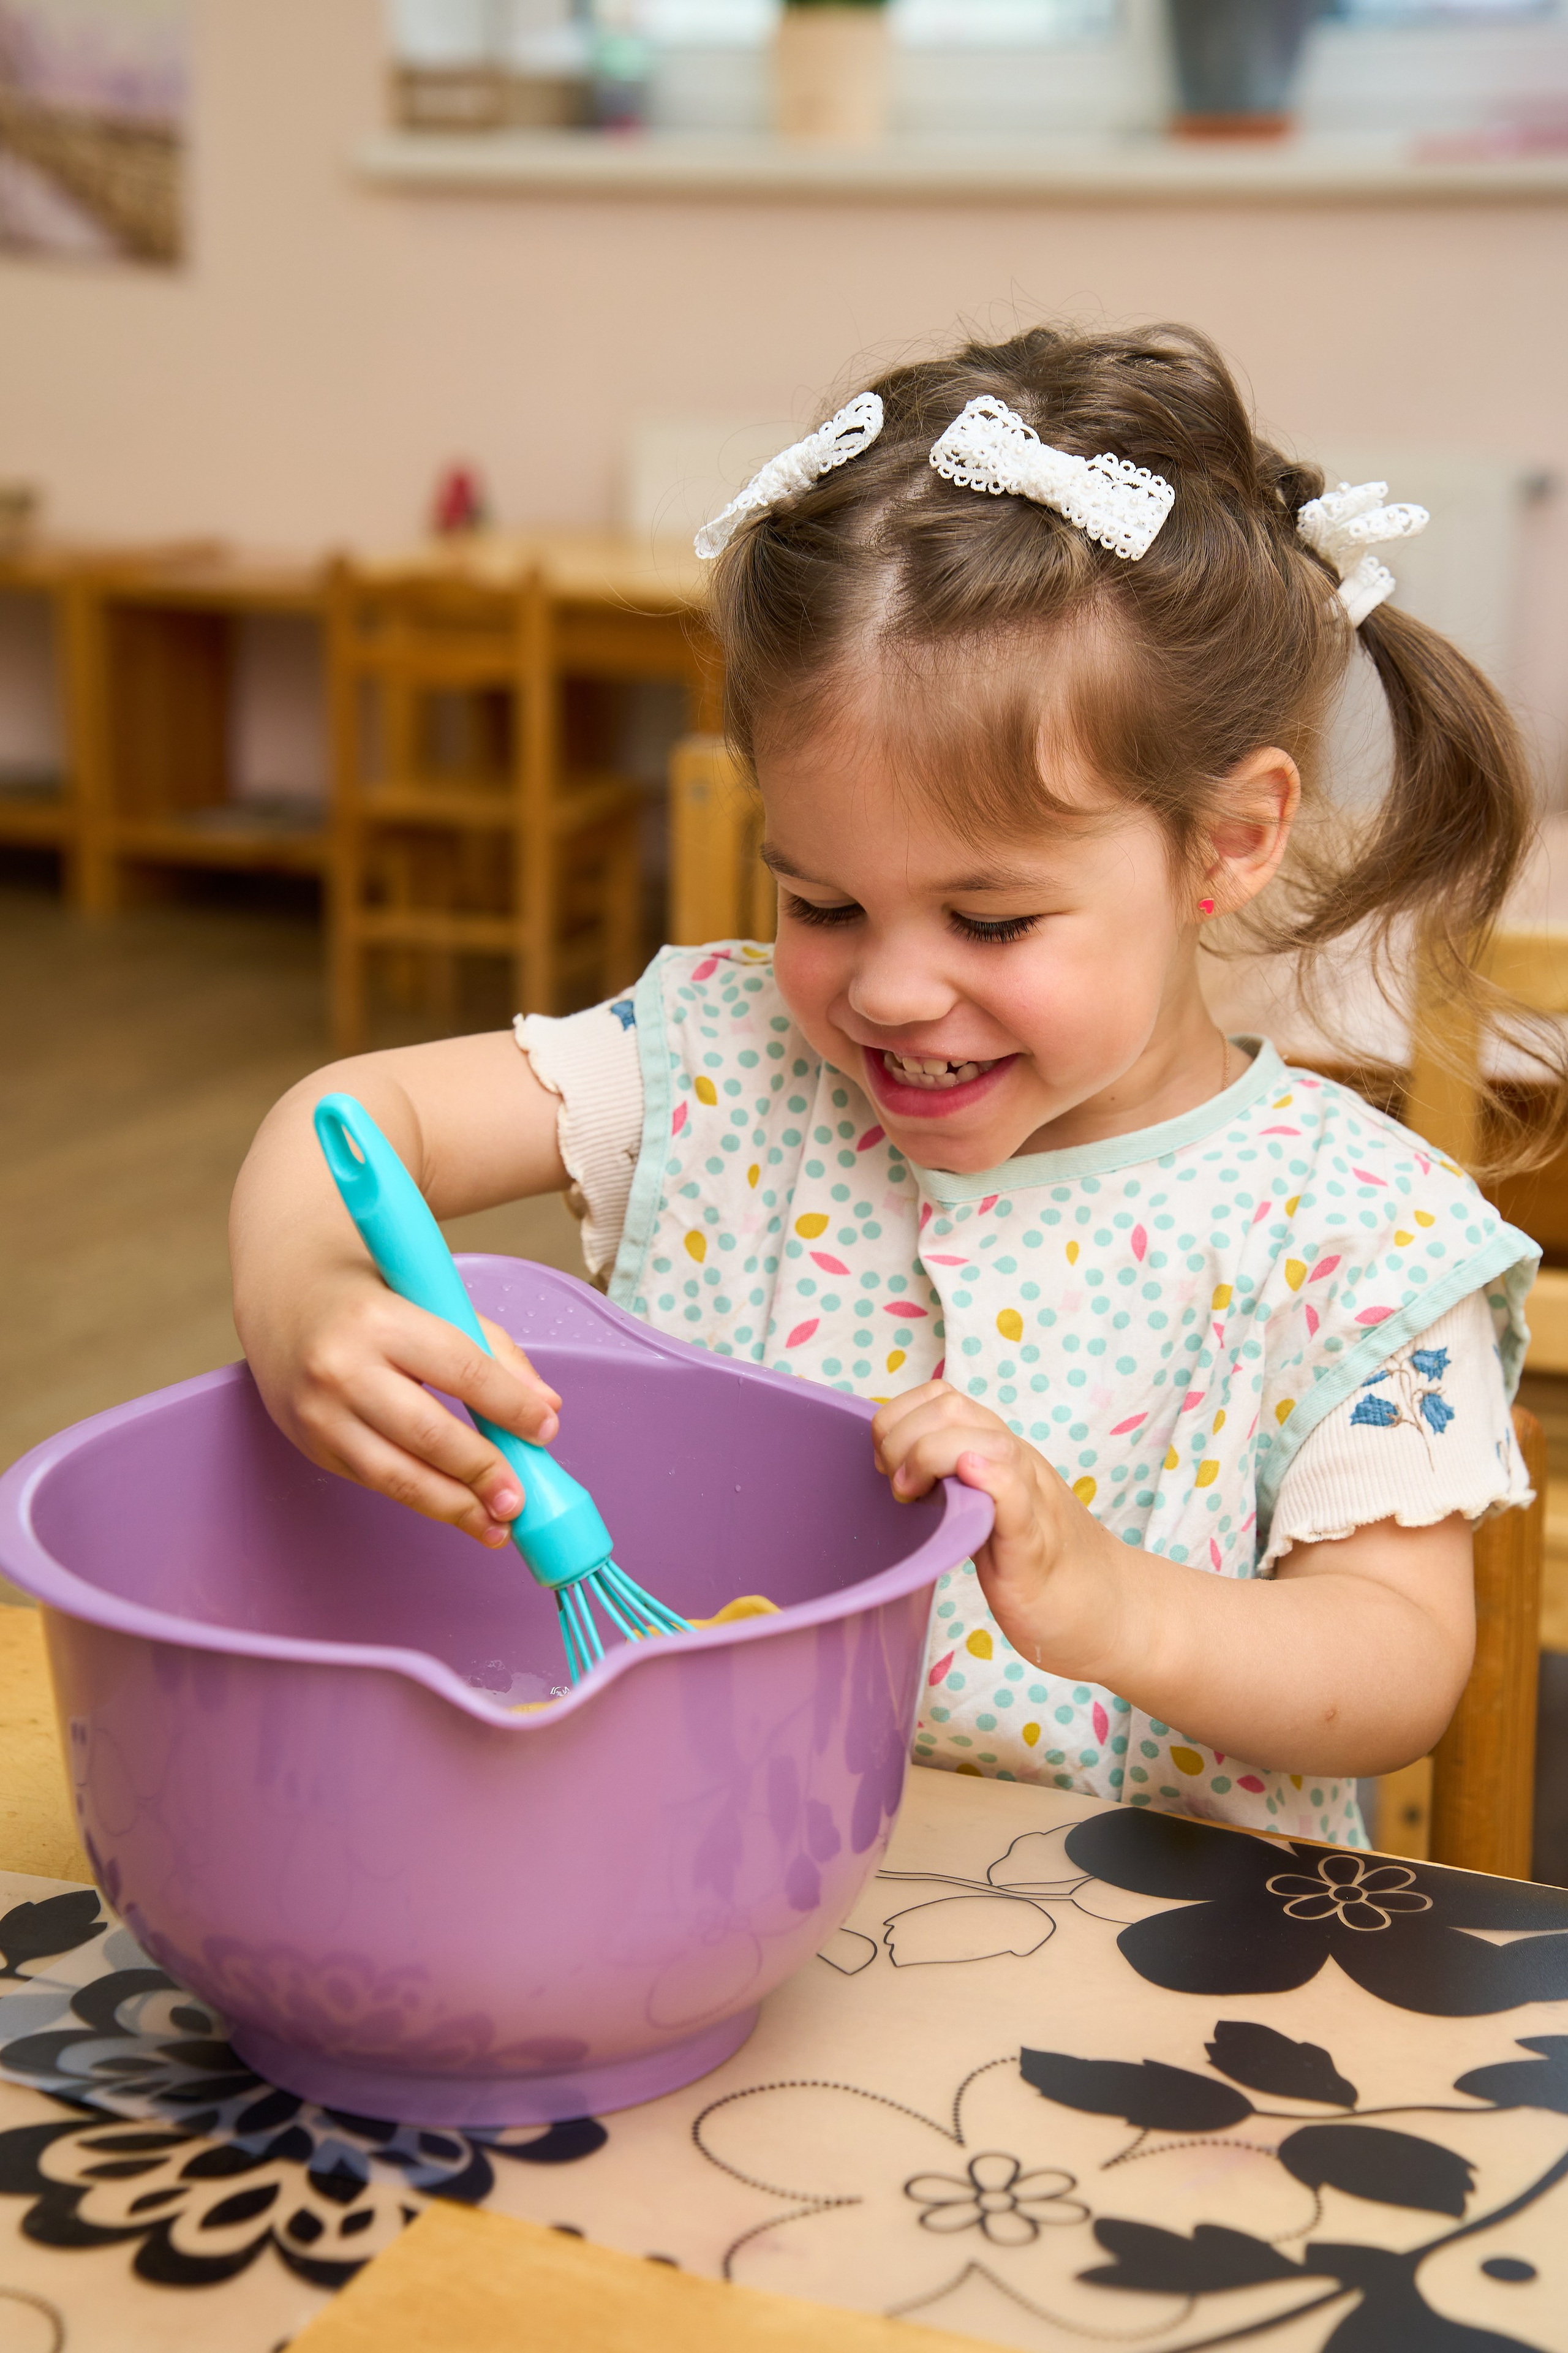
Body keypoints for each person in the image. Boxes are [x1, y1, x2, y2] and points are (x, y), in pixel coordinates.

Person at [232, 323, 1554, 1847]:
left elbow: (1391, 1669)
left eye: (988, 920)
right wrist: (302, 1296)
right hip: (700, 1895)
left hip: (1134, 1998)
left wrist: (1116, 1604)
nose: (887, 990)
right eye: (820, 903)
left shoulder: (1356, 1230)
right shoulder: (725, 1061)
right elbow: (349, 1122)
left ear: (1228, 839)